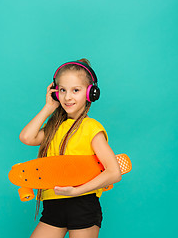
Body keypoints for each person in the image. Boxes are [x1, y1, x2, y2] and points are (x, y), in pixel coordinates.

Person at [19, 58, 122, 238]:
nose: (68, 97)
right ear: (55, 92)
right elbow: (27, 137)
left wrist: (76, 191)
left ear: (91, 93)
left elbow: (114, 173)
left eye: (76, 90)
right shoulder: (54, 127)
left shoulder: (91, 129)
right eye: (62, 90)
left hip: (83, 205)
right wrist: (49, 107)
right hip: (53, 207)